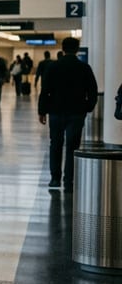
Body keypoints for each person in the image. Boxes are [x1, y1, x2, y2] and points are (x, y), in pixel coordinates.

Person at [38, 37, 98, 190]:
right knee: (72, 146)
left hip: (56, 112)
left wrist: (42, 111)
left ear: (63, 49)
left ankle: (55, 178)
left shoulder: (53, 67)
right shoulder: (84, 68)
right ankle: (69, 181)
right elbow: (92, 91)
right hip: (76, 113)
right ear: (77, 49)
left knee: (55, 144)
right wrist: (87, 107)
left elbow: (45, 91)